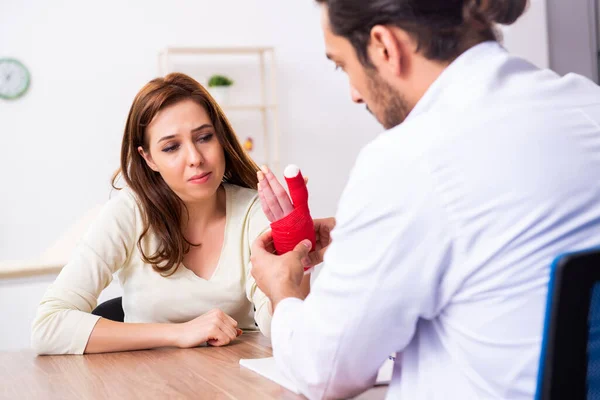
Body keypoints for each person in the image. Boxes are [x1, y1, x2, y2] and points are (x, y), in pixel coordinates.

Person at [249, 0, 600, 399]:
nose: (354, 94)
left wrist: (284, 290)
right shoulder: (587, 103)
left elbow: (323, 373)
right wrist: (357, 235)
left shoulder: (409, 158)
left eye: (343, 65)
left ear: (384, 45)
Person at [30, 72, 311, 355]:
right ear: (148, 158)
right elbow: (48, 326)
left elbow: (285, 330)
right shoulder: (129, 213)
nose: (195, 158)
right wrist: (180, 332)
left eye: (204, 137)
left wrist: (298, 252)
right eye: (171, 147)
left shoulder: (254, 211)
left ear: (220, 138)